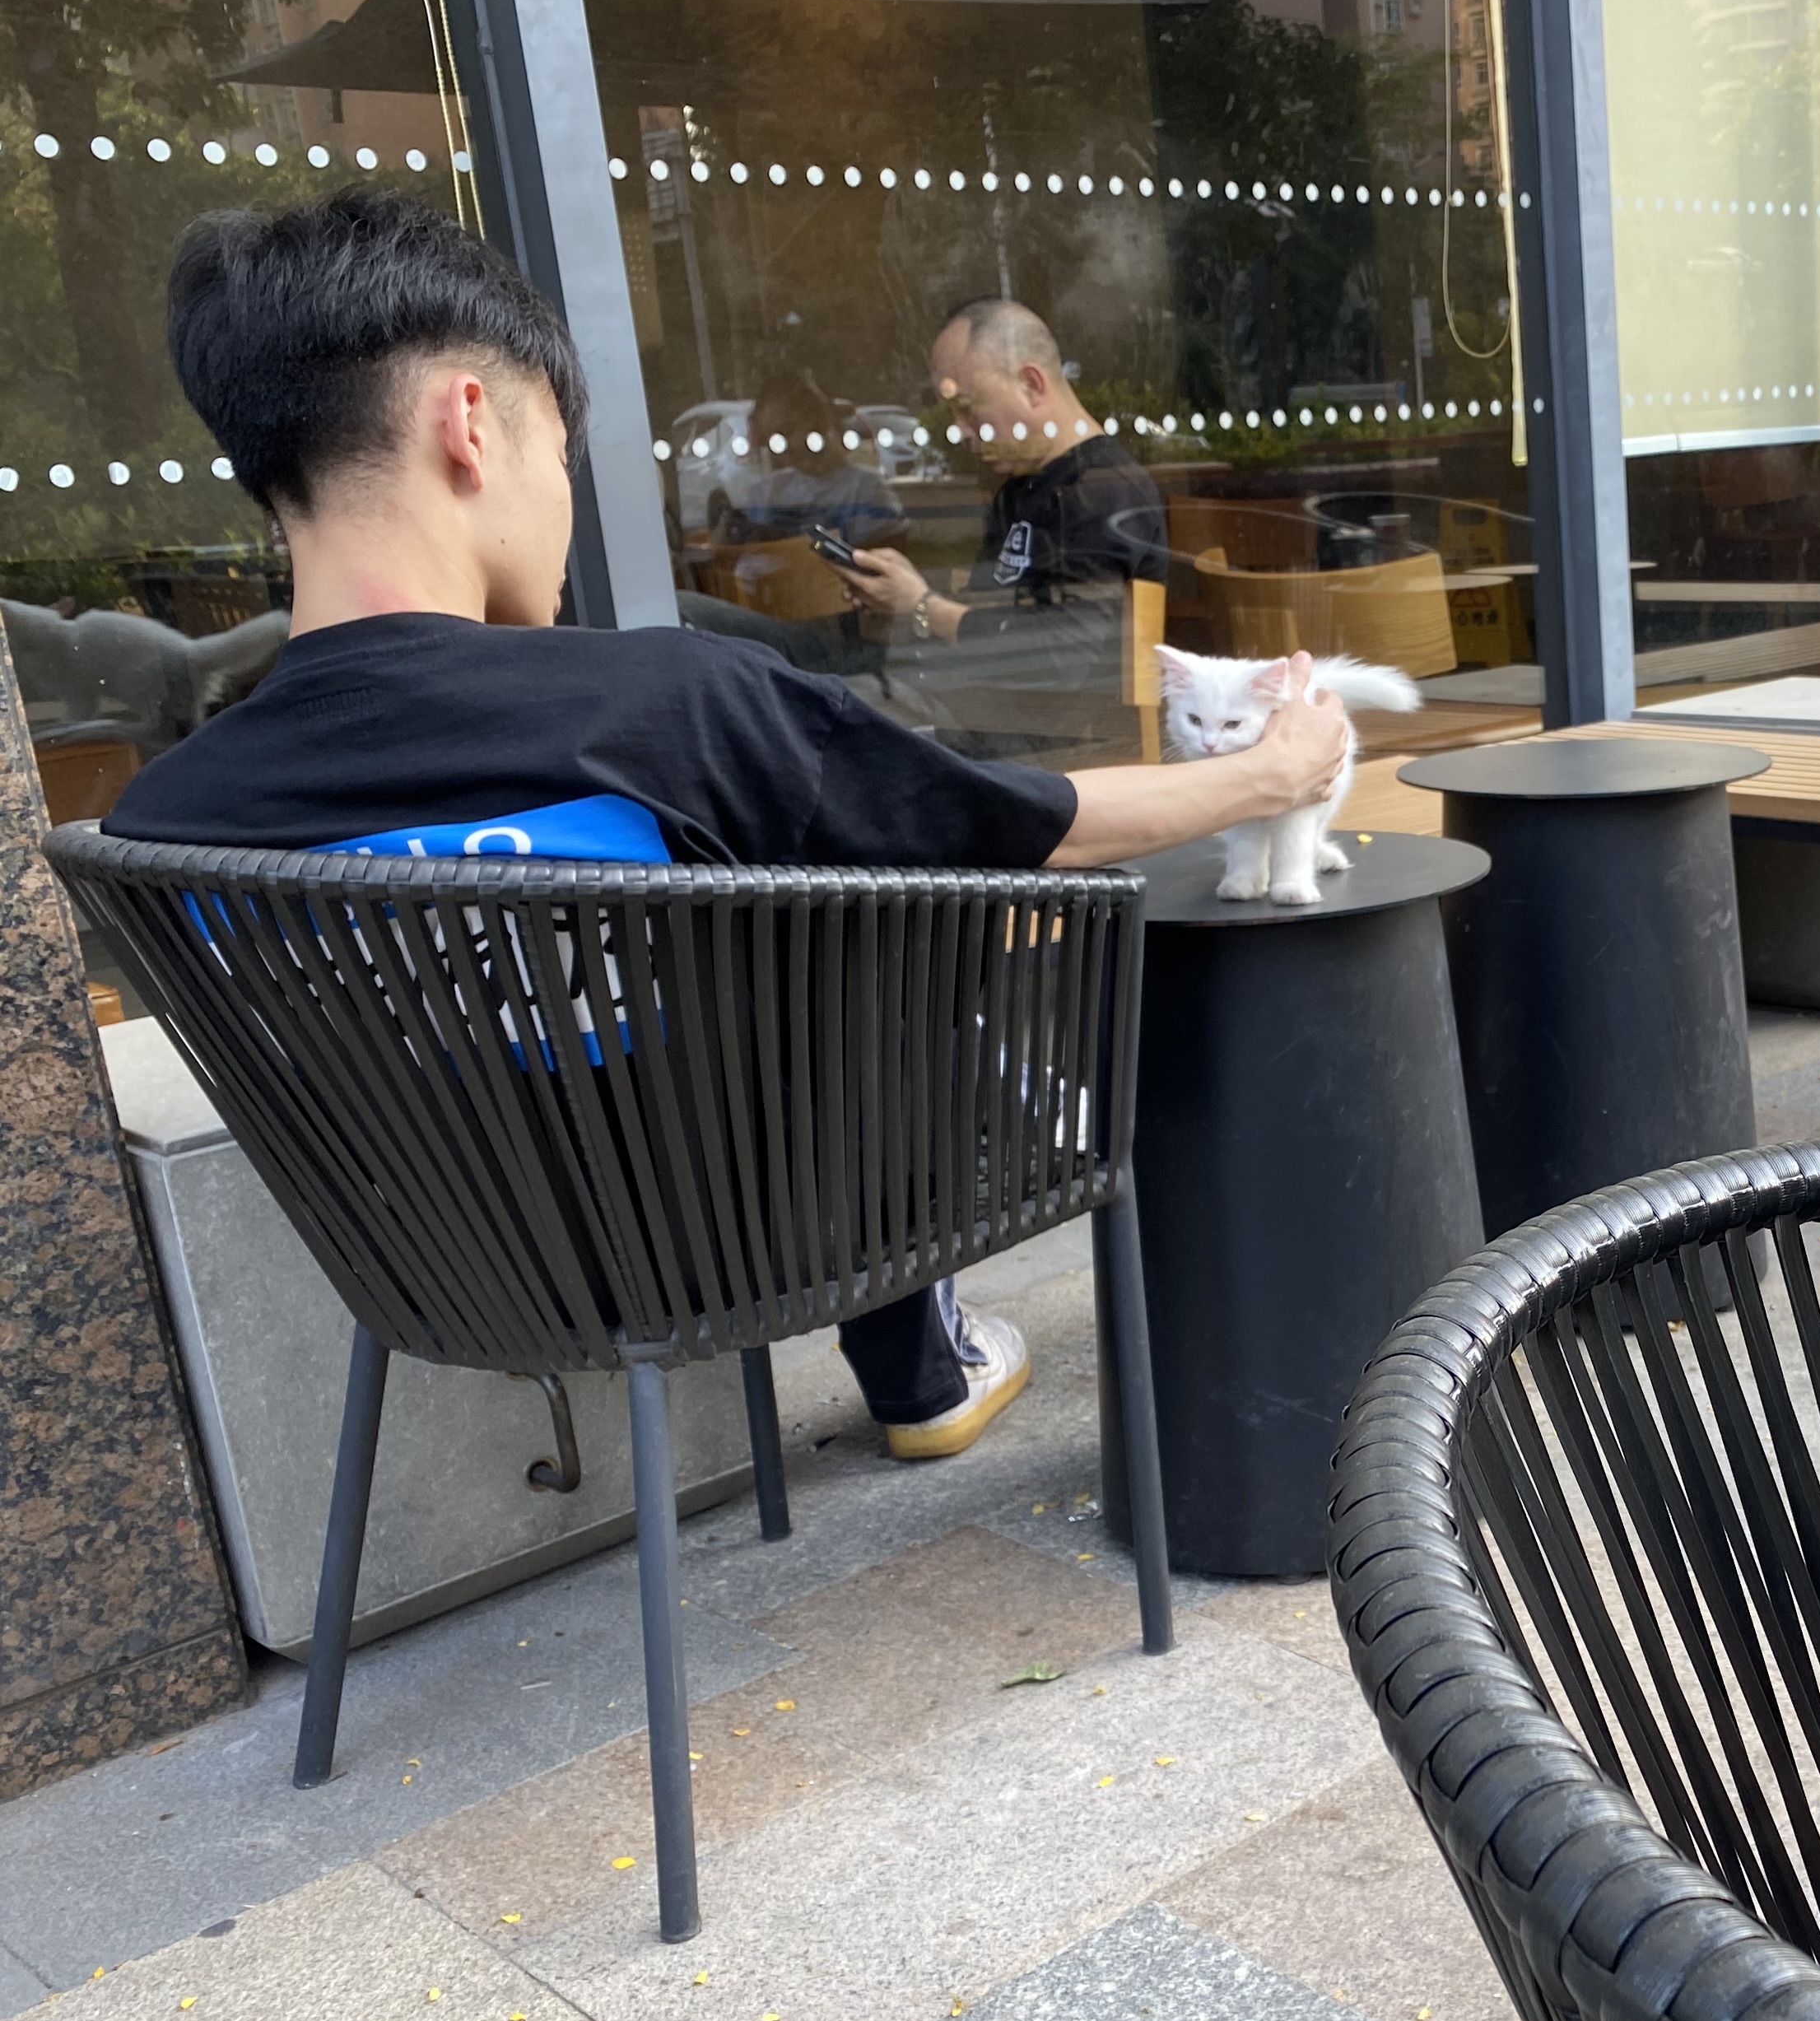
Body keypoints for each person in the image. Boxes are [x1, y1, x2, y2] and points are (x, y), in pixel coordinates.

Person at [105, 189, 1349, 1465]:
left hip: (440, 1282)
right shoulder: (669, 705)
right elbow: (1022, 829)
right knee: (885, 901)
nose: (565, 502)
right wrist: (1272, 773)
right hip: (764, 1244)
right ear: (470, 424)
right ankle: (920, 1363)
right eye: (560, 454)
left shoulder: (162, 823)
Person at [827, 297, 1165, 760]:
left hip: (1019, 744)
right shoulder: (1021, 487)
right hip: (963, 708)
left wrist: (922, 606)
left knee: (799, 710)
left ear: (1031, 384)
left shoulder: (1101, 491)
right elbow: (986, 615)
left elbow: (1057, 662)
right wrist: (901, 601)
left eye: (969, 409)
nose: (962, 431)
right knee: (776, 677)